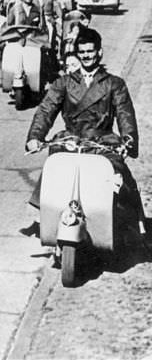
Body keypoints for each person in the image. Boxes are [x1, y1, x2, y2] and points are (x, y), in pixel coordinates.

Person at [24, 27, 145, 235]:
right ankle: (46, 211)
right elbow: (46, 109)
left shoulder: (114, 84)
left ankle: (132, 225)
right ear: (77, 54)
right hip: (72, 139)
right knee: (55, 165)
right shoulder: (64, 83)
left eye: (90, 51)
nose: (87, 56)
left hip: (103, 142)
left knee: (119, 176)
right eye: (82, 52)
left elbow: (125, 114)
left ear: (99, 52)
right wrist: (35, 137)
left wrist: (128, 140)